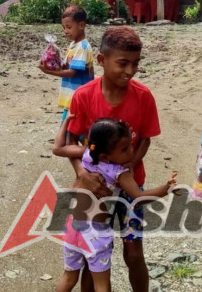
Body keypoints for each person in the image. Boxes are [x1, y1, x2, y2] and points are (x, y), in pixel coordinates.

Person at [66, 26, 160, 292]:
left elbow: (145, 138)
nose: (130, 71)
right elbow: (71, 142)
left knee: (133, 253)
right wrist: (82, 174)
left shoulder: (143, 96)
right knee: (90, 255)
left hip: (130, 188)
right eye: (122, 63)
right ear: (101, 60)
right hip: (95, 189)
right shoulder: (83, 96)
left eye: (135, 64)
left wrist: (129, 165)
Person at [53, 117, 176, 292]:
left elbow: (58, 148)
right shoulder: (119, 172)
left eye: (131, 145)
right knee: (102, 285)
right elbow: (139, 196)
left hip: (73, 227)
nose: (131, 151)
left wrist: (66, 122)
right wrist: (166, 188)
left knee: (68, 278)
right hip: (96, 233)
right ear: (106, 156)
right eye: (125, 149)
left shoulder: (88, 154)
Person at [39, 5, 95, 121]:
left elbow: (71, 72)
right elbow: (65, 66)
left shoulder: (82, 47)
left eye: (69, 27)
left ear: (81, 25)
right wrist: (52, 60)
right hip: (72, 99)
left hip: (79, 100)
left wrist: (48, 72)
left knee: (67, 133)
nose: (65, 31)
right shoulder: (73, 45)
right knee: (70, 133)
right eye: (64, 27)